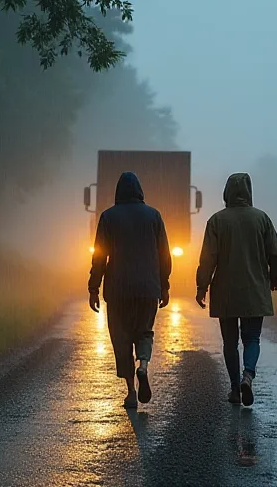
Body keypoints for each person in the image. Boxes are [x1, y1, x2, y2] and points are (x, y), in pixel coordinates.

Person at [195, 172, 277, 407]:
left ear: (227, 193)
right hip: (254, 289)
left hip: (225, 292)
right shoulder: (261, 219)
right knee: (252, 337)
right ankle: (248, 375)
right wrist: (275, 276)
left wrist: (201, 286)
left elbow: (208, 259)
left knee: (229, 342)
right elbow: (275, 252)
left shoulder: (216, 221)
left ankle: (235, 387)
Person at [89, 171, 172, 409]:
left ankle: (130, 392)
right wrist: (164, 285)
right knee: (144, 332)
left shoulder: (108, 217)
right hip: (148, 288)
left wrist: (94, 287)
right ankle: (143, 366)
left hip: (118, 289)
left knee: (122, 338)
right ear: (140, 191)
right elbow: (164, 256)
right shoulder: (154, 216)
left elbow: (99, 256)